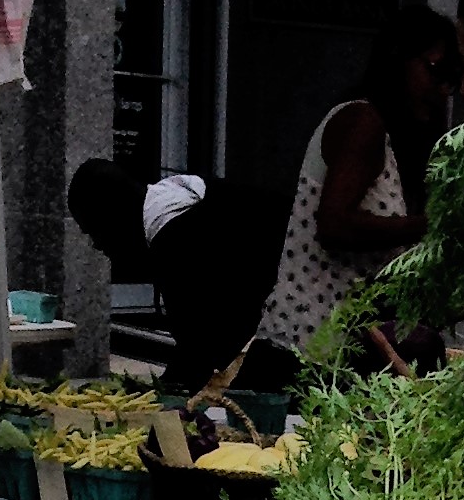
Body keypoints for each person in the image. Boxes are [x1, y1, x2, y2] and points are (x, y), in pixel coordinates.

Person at [253, 3, 457, 368]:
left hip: (345, 351)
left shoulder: (392, 136)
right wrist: (430, 226)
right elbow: (334, 224)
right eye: (435, 69)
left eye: (451, 76)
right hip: (306, 351)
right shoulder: (362, 122)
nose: (444, 88)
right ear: (399, 60)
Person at [64, 160, 294, 394]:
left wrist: (158, 394)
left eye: (94, 230)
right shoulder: (176, 198)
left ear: (112, 219)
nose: (97, 245)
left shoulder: (177, 240)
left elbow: (203, 343)